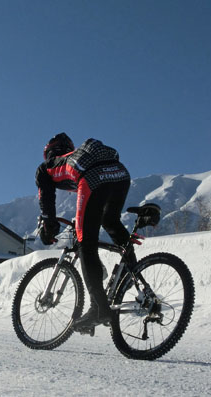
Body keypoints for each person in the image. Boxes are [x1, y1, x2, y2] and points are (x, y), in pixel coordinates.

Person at [36, 132, 131, 330]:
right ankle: (130, 270)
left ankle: (98, 308)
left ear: (49, 153)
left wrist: (48, 226)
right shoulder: (80, 155)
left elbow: (46, 197)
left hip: (93, 178)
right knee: (110, 221)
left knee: (85, 243)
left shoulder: (48, 167)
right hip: (120, 174)